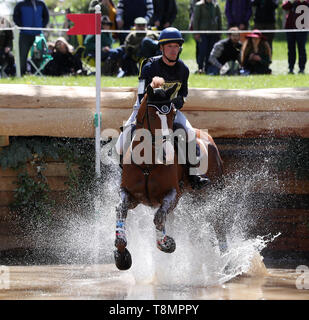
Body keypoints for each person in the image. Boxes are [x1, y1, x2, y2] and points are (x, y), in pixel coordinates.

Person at [115, 27, 210, 190]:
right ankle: (124, 174)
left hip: (169, 110)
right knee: (122, 140)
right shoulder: (149, 66)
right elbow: (140, 94)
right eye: (169, 46)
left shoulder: (183, 69)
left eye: (176, 46)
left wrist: (178, 102)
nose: (173, 50)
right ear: (161, 48)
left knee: (190, 134)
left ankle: (194, 175)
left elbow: (184, 94)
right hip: (145, 108)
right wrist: (148, 111)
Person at [13, 0, 49, 75]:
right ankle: (21, 74)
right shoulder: (20, 4)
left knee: (38, 56)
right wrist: (22, 27)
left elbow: (46, 17)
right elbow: (15, 17)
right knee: (22, 56)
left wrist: (41, 27)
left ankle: (37, 74)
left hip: (38, 35)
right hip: (24, 35)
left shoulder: (41, 4)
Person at [193, 0, 222, 74]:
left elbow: (219, 19)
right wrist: (196, 32)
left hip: (213, 32)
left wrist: (220, 32)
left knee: (210, 52)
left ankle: (208, 69)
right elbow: (195, 20)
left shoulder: (215, 5)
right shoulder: (199, 5)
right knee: (202, 51)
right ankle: (200, 68)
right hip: (202, 32)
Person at [282, 0, 309, 74]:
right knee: (291, 49)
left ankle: (302, 68)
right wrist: (291, 2)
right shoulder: (292, 2)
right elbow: (284, 7)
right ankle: (291, 68)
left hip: (302, 27)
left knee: (301, 48)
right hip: (290, 27)